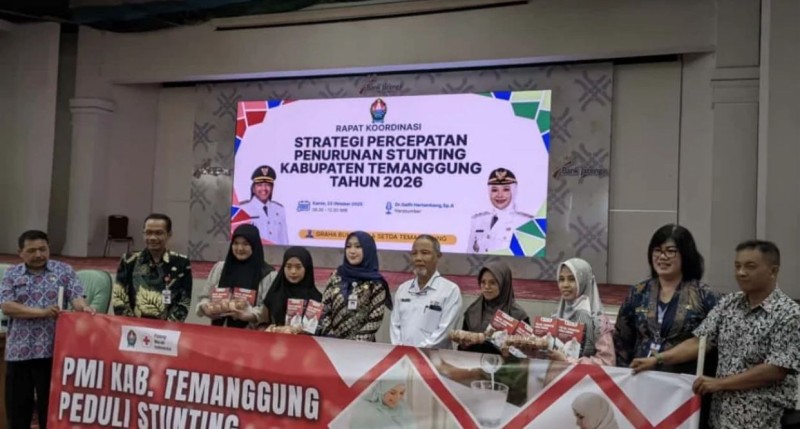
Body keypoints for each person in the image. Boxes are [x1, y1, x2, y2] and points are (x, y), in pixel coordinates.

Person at [631, 240, 800, 429]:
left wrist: (720, 384)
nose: (741, 272)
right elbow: (700, 342)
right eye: (737, 266)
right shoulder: (729, 303)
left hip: (763, 419)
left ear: (773, 271)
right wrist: (657, 359)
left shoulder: (789, 314)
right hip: (720, 418)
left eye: (750, 266)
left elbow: (775, 369)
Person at [0, 230, 95, 429]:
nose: (38, 255)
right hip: (19, 351)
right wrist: (42, 312)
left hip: (53, 351)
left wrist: (84, 308)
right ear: (20, 253)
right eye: (31, 250)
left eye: (43, 249)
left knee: (50, 410)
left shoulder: (64, 271)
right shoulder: (12, 274)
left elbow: (77, 298)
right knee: (18, 411)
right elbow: (7, 306)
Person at [614, 224, 719, 374]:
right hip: (639, 377)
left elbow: (711, 342)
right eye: (657, 250)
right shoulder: (638, 292)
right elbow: (621, 340)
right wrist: (623, 374)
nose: (662, 257)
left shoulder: (704, 295)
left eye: (670, 251)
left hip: (684, 381)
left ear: (686, 254)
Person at [112, 213, 193, 322]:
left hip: (168, 328)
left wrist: (168, 327)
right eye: (148, 233)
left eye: (159, 233)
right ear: (143, 234)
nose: (153, 238)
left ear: (169, 234)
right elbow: (119, 298)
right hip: (133, 327)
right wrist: (132, 326)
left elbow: (184, 301)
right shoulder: (128, 260)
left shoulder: (181, 263)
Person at [196, 224, 277, 328]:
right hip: (219, 330)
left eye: (245, 244)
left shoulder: (268, 274)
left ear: (254, 245)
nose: (240, 248)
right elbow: (204, 297)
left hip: (250, 333)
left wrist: (248, 315)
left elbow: (268, 309)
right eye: (236, 243)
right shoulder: (220, 268)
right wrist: (206, 308)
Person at [390, 235, 462, 349]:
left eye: (425, 253)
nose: (418, 258)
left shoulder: (450, 290)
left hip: (435, 357)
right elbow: (395, 326)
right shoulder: (403, 289)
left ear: (438, 256)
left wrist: (418, 353)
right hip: (403, 356)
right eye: (414, 253)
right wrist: (400, 350)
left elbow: (444, 331)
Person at [317, 231, 391, 342]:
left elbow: (375, 319)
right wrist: (332, 338)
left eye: (358, 246)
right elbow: (324, 310)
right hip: (331, 344)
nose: (352, 251)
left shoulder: (376, 282)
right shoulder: (336, 276)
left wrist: (354, 344)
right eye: (348, 246)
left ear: (368, 250)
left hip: (363, 347)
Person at [549, 258, 615, 365]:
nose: (565, 285)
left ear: (584, 281)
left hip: (584, 376)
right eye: (561, 279)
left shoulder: (598, 322)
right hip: (555, 374)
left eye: (572, 279)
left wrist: (567, 361)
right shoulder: (557, 315)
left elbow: (607, 362)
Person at [460, 260, 529, 354]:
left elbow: (526, 353)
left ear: (504, 284)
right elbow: (461, 349)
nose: (486, 287)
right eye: (483, 282)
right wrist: (464, 344)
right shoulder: (472, 311)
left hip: (507, 363)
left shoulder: (518, 316)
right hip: (473, 362)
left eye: (492, 283)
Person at [468, 168, 534, 254]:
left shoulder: (526, 222)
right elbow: (470, 252)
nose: (500, 195)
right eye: (494, 190)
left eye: (506, 189)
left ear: (513, 191)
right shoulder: (477, 221)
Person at [262, 246, 322, 326]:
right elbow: (263, 322)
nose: (293, 271)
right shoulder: (274, 293)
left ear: (307, 268)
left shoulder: (316, 299)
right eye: (289, 266)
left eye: (298, 267)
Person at [348, 365, 417, 429]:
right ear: (381, 390)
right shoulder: (364, 410)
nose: (397, 398)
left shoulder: (403, 408)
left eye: (401, 393)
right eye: (392, 393)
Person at [238, 165, 288, 245]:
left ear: (272, 188)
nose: (264, 189)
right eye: (260, 185)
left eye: (267, 185)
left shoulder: (279, 209)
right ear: (253, 188)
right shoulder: (243, 209)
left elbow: (284, 240)